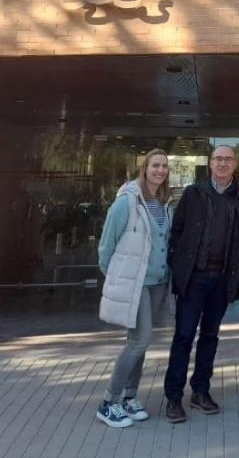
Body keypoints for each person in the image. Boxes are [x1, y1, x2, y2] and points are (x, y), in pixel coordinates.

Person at [163, 145, 239, 423]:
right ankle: (173, 398)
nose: (223, 163)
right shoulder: (194, 193)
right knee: (183, 337)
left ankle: (200, 392)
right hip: (194, 278)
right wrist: (179, 267)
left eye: (228, 159)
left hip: (222, 279)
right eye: (218, 159)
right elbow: (177, 232)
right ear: (210, 163)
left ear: (235, 164)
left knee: (210, 337)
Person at [95, 149, 175, 428]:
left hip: (157, 283)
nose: (160, 170)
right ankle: (108, 402)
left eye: (165, 166)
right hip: (136, 284)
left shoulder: (165, 202)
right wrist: (116, 279)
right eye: (155, 165)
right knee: (139, 340)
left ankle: (129, 397)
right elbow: (106, 246)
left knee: (141, 341)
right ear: (145, 168)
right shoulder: (126, 202)